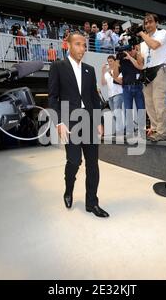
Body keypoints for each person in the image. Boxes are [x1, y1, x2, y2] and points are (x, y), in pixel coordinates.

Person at [48, 33, 109, 218]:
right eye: (78, 44)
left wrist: (98, 121)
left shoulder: (89, 70)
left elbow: (94, 98)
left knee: (93, 165)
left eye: (84, 45)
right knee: (74, 161)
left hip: (89, 121)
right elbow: (52, 97)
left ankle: (92, 203)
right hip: (70, 121)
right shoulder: (58, 66)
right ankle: (68, 189)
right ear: (67, 45)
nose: (82, 48)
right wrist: (58, 122)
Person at [139, 13, 166, 142]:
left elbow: (155, 45)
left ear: (156, 23)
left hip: (159, 69)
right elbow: (141, 63)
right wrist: (135, 53)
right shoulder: (142, 43)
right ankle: (155, 129)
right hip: (147, 72)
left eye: (150, 22)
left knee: (158, 102)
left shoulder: (162, 33)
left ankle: (163, 132)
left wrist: (141, 34)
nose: (148, 25)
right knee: (149, 104)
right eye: (145, 23)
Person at [112, 46, 146, 140]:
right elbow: (115, 75)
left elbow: (140, 66)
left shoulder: (137, 58)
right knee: (128, 110)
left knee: (141, 109)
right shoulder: (122, 61)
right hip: (126, 88)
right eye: (127, 51)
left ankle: (142, 132)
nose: (129, 52)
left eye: (131, 50)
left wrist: (130, 57)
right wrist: (117, 61)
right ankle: (129, 132)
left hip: (138, 87)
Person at [102, 55, 124, 136]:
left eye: (111, 61)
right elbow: (103, 83)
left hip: (118, 93)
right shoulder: (107, 72)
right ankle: (121, 129)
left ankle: (119, 131)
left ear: (115, 61)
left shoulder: (118, 69)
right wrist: (103, 72)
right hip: (110, 95)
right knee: (114, 113)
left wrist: (112, 75)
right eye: (108, 61)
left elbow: (121, 81)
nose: (109, 63)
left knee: (117, 112)